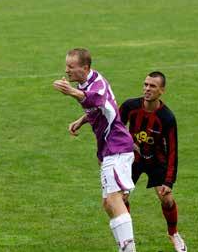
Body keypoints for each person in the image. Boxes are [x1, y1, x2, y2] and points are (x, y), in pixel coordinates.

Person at [53, 48, 136, 252]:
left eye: (71, 67)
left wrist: (70, 92)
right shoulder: (85, 83)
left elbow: (96, 99)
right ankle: (124, 247)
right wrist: (82, 121)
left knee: (113, 200)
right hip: (109, 149)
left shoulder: (96, 84)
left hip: (116, 147)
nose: (67, 70)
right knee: (108, 204)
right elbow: (104, 107)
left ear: (85, 68)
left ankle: (129, 250)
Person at [119, 71, 187, 252]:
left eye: (153, 86)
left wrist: (168, 181)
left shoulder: (167, 117)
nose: (147, 89)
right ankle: (127, 240)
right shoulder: (130, 106)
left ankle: (173, 234)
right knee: (121, 198)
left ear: (162, 90)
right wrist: (127, 143)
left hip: (156, 160)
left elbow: (173, 150)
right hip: (133, 159)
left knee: (167, 200)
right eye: (146, 84)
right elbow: (115, 127)